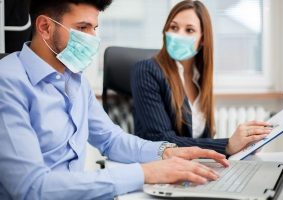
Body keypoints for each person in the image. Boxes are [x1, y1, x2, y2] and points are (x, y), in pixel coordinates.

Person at [0, 0, 230, 199]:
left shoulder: (75, 80)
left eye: (94, 28)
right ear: (45, 27)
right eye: (82, 28)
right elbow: (30, 188)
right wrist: (145, 173)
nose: (92, 38)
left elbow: (111, 139)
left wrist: (165, 152)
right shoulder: (7, 82)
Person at [131, 0, 272, 155]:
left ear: (203, 39)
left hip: (192, 168)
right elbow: (162, 140)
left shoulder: (199, 78)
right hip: (158, 170)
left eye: (189, 30)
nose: (178, 35)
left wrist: (242, 146)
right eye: (174, 27)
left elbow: (203, 138)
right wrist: (227, 145)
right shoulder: (146, 70)